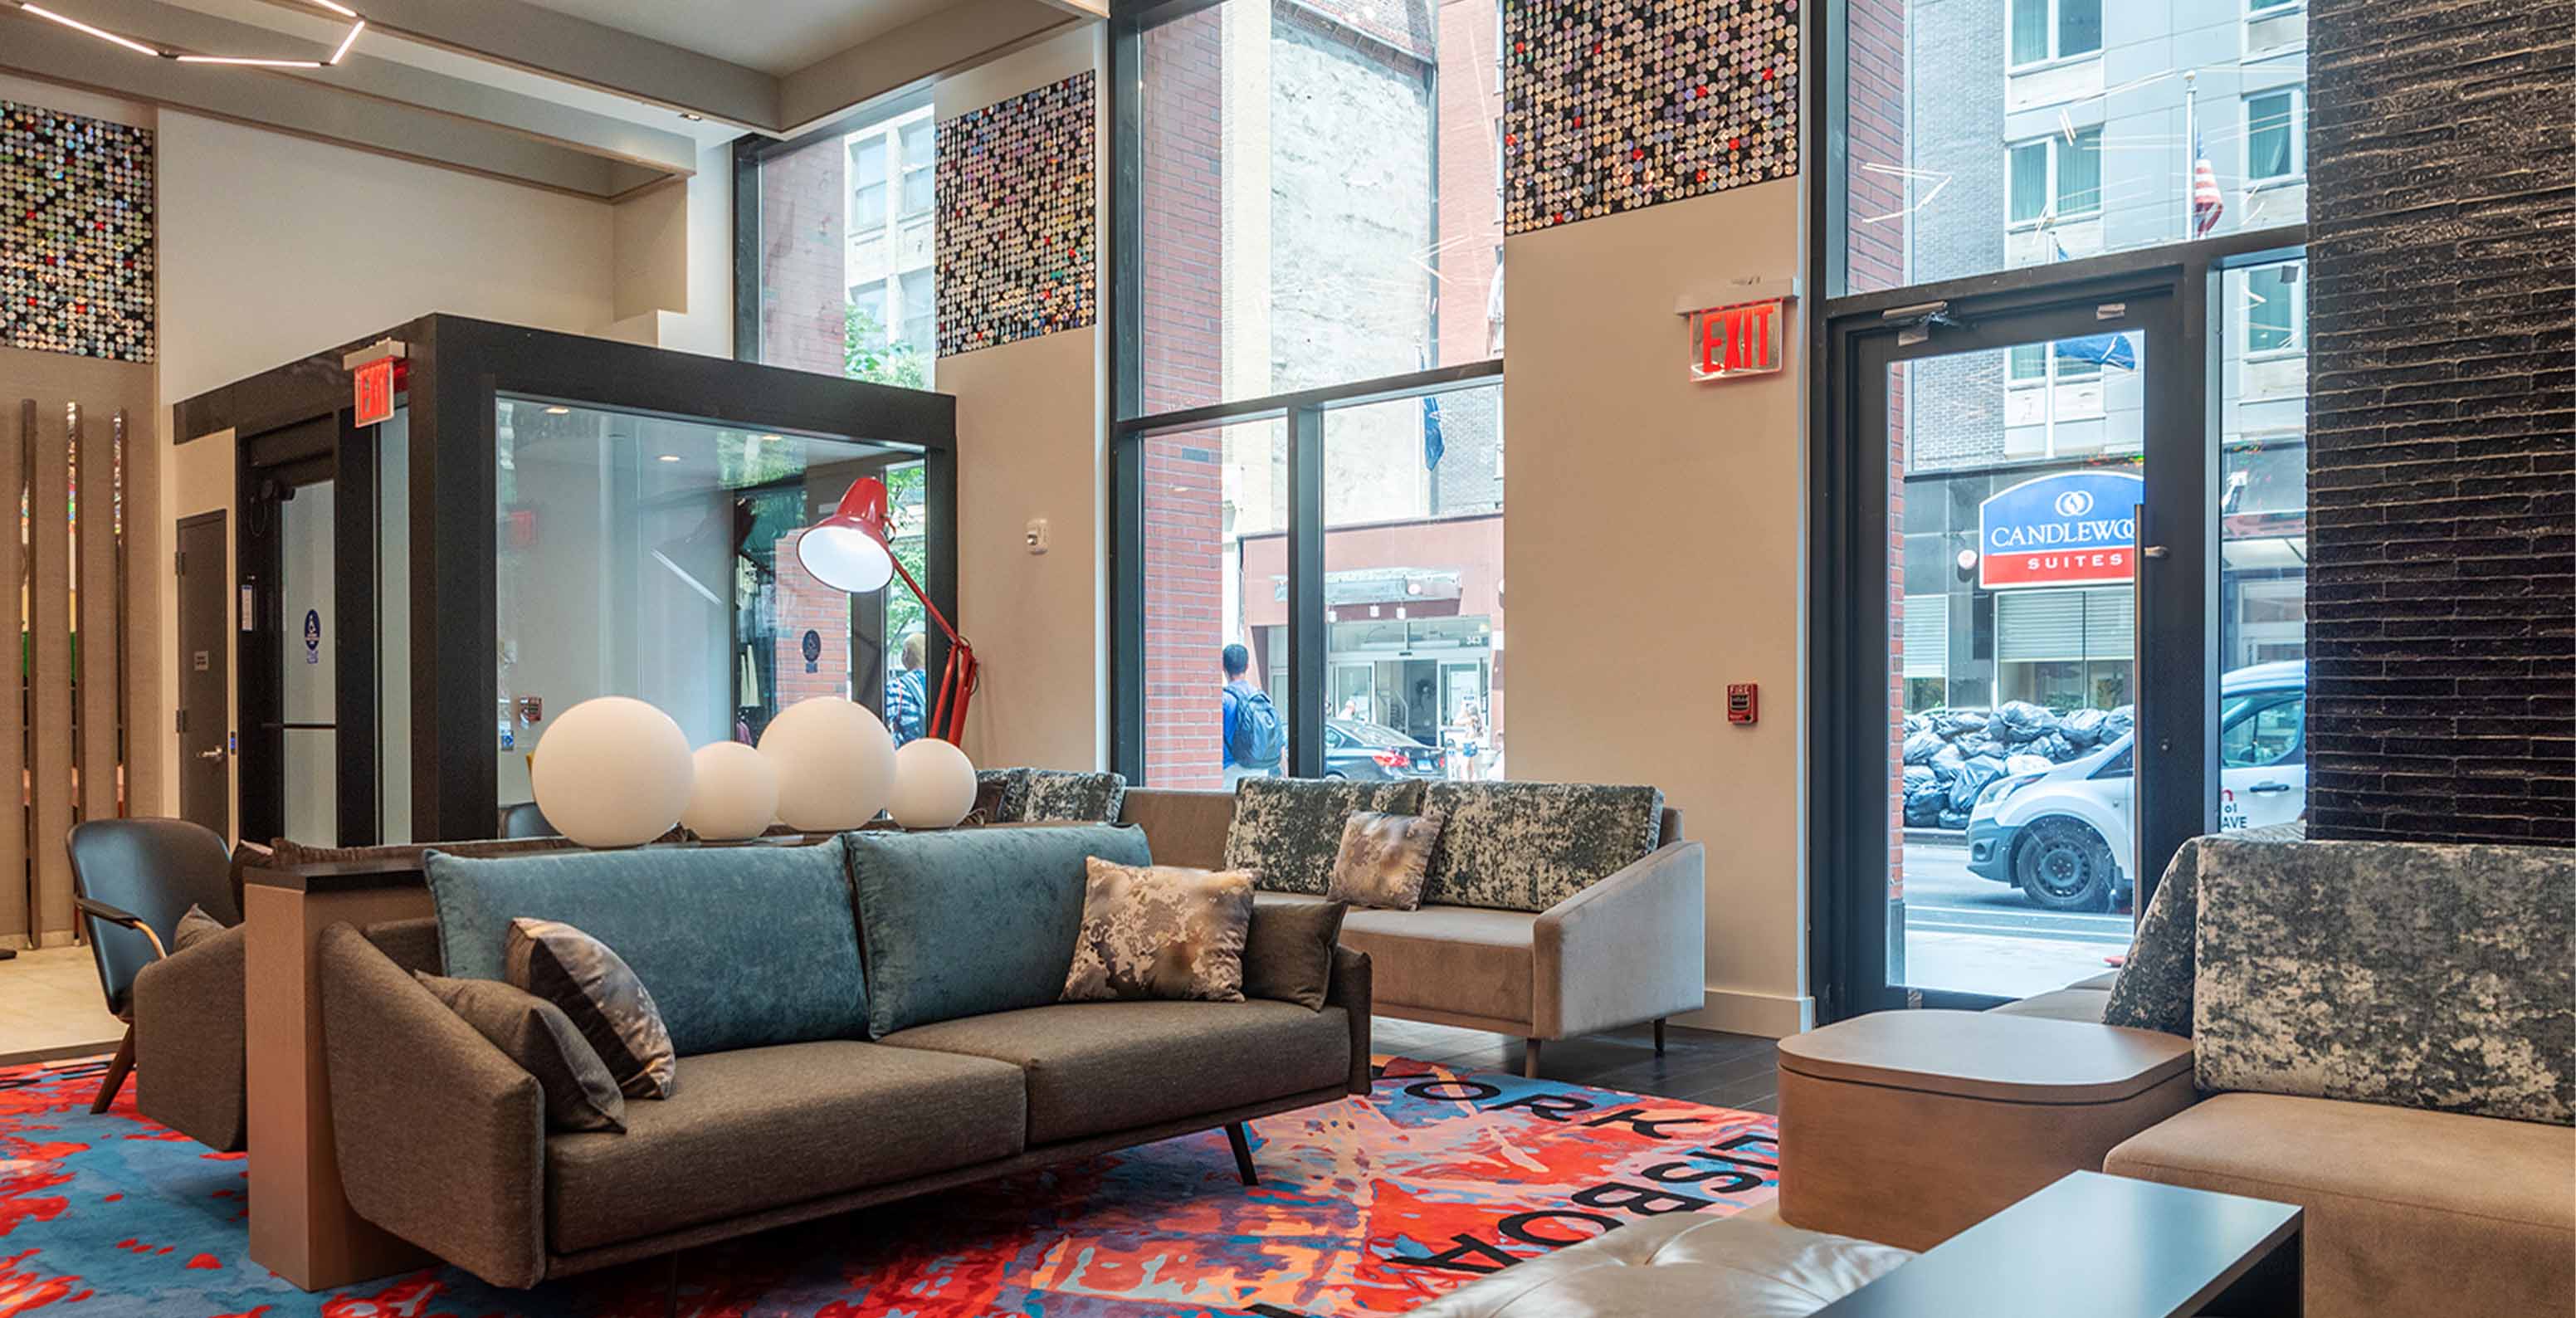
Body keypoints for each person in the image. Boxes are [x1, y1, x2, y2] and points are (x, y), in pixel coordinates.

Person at [1220, 643, 1284, 784]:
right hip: (1261, 770)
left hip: (1231, 771)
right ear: (1247, 666)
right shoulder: (1261, 697)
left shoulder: (1224, 700)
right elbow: (1278, 739)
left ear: (1223, 666)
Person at [885, 632, 928, 746]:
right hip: (937, 751)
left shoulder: (896, 688)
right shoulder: (941, 686)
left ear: (905, 654)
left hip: (908, 753)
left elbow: (879, 721)